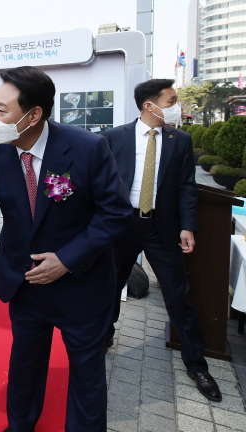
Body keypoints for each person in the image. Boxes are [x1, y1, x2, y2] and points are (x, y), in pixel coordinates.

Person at [0, 66, 133, 432]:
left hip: (81, 285)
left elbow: (115, 214)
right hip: (25, 284)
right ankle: (20, 425)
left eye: (0, 110)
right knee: (25, 365)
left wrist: (67, 260)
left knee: (86, 375)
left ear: (33, 114)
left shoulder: (87, 148)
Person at [103, 78, 222, 402]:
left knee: (178, 295)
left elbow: (186, 186)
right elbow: (101, 182)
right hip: (122, 225)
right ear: (149, 105)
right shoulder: (115, 138)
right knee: (109, 286)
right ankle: (103, 338)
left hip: (162, 227)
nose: (176, 106)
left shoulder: (179, 140)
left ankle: (197, 365)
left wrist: (188, 226)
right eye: (171, 101)